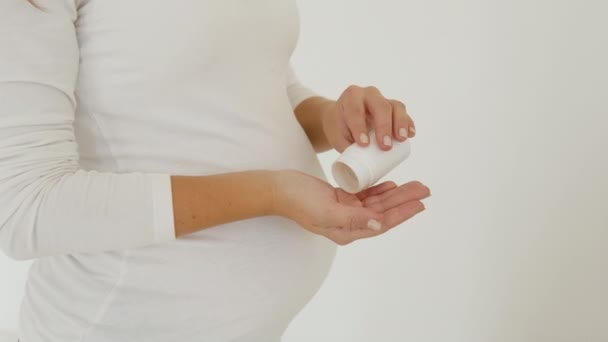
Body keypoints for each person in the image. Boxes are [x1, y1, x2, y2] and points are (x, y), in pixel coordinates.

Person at [0, 1, 431, 341]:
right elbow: (26, 209)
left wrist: (334, 119)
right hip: (122, 326)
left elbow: (265, 86)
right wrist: (272, 194)